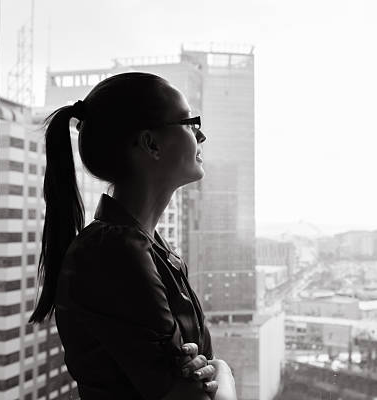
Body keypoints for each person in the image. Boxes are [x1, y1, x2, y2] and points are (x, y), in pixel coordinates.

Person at [28, 72, 237, 400]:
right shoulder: (114, 253)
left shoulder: (145, 248)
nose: (202, 135)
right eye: (189, 123)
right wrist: (223, 369)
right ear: (151, 144)